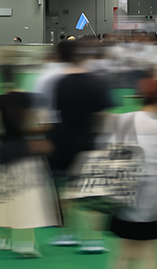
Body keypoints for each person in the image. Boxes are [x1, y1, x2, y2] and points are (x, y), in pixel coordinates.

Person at [108, 79, 157, 269]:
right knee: (150, 253)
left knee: (124, 252)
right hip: (153, 199)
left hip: (123, 194)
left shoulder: (123, 120)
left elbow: (109, 151)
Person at [0, 64, 59, 257]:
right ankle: (25, 244)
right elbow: (38, 123)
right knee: (26, 199)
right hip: (27, 152)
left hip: (4, 153)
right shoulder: (30, 98)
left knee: (2, 197)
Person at [48, 41, 116, 253]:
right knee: (94, 190)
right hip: (90, 142)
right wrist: (104, 141)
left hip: (63, 141)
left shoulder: (61, 82)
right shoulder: (98, 82)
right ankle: (93, 239)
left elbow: (56, 112)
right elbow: (103, 115)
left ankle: (67, 234)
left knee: (66, 188)